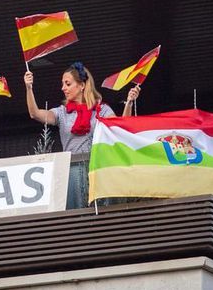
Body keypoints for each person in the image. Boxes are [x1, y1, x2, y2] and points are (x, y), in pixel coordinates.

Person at [24, 62, 140, 208]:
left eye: (67, 84)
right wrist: (29, 88)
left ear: (82, 85)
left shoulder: (102, 110)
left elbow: (119, 128)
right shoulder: (62, 112)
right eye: (63, 84)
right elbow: (35, 113)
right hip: (71, 173)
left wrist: (129, 103)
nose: (63, 88)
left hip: (97, 171)